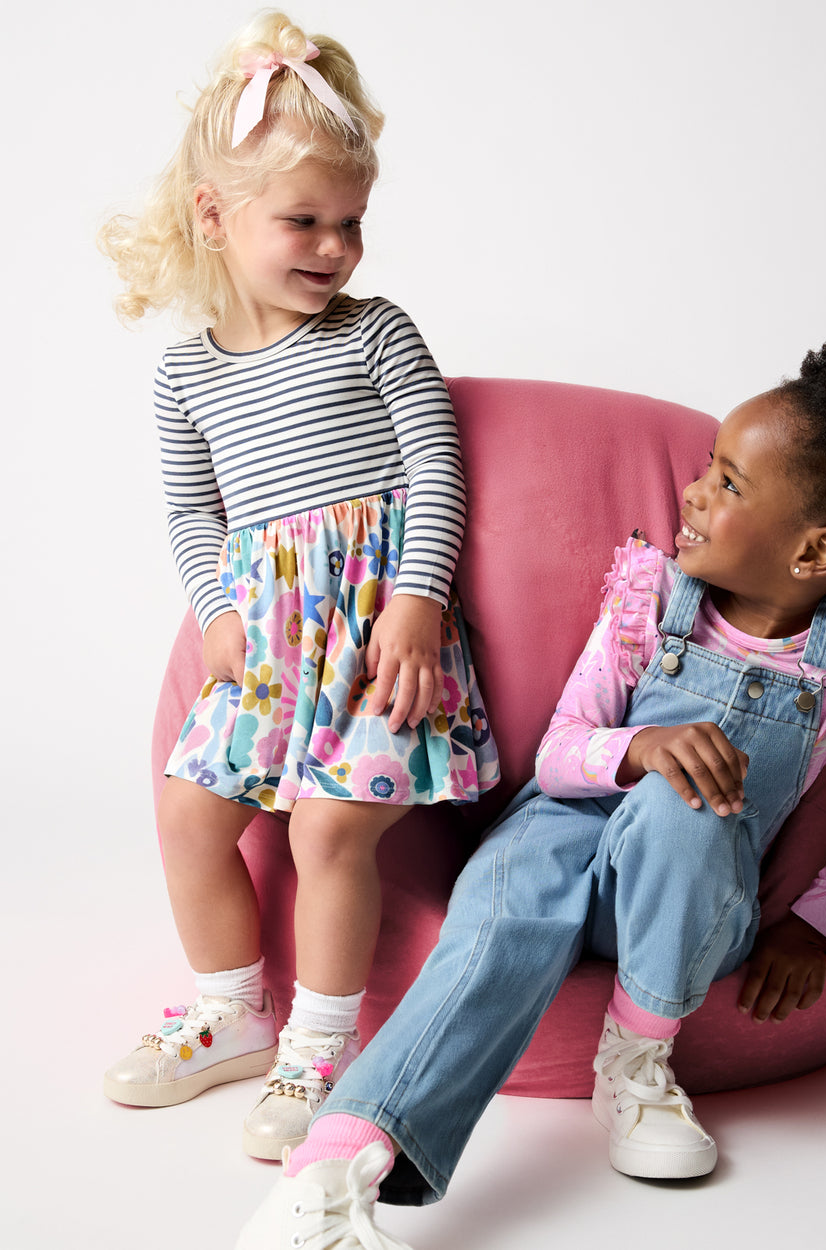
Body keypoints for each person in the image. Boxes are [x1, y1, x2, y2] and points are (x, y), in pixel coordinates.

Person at [234, 335, 826, 1249]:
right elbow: (559, 756)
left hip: (683, 894)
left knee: (689, 798)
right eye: (708, 469)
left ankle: (636, 1058)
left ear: (816, 550)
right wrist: (639, 748)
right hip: (552, 846)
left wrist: (812, 921)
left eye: (731, 485)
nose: (694, 494)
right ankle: (333, 1171)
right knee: (512, 905)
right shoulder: (648, 594)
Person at [99, 11, 499, 1161]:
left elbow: (436, 459)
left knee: (330, 827)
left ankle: (321, 1046)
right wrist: (220, 612)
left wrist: (418, 600)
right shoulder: (185, 376)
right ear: (214, 217)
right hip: (269, 646)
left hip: (377, 637)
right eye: (304, 220)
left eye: (352, 223)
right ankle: (232, 1004)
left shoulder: (375, 335)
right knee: (185, 809)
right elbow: (192, 511)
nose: (334, 246)